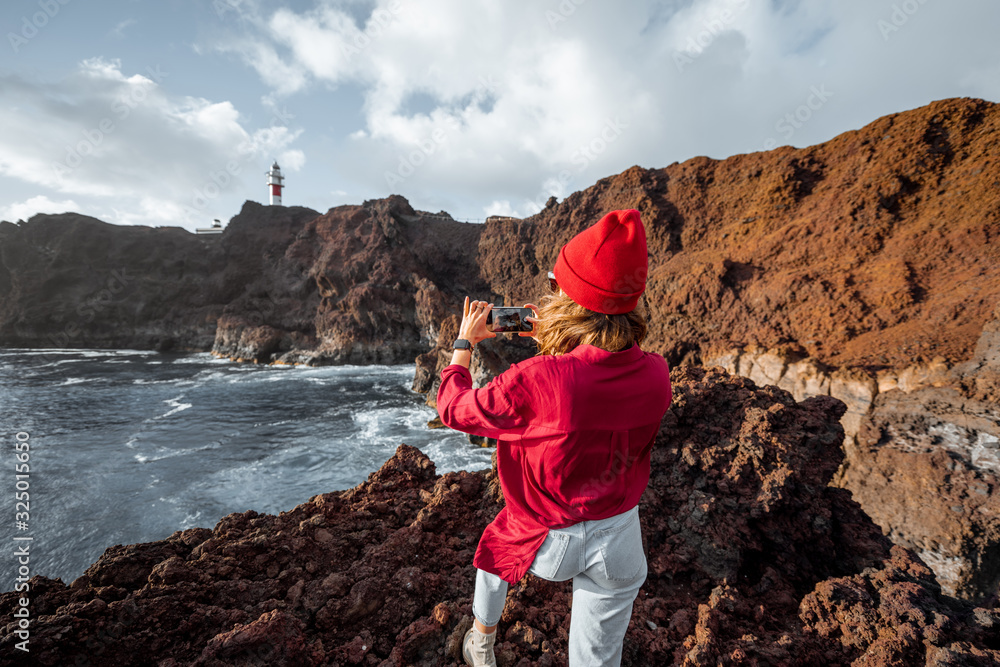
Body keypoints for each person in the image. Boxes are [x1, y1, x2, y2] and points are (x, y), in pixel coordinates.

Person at [436, 209, 673, 666]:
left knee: (494, 550)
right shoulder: (657, 375)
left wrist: (463, 345)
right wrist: (560, 333)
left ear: (569, 299)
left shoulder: (538, 379)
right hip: (619, 539)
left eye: (555, 285)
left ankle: (481, 645)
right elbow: (601, 373)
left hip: (549, 545)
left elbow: (453, 408)